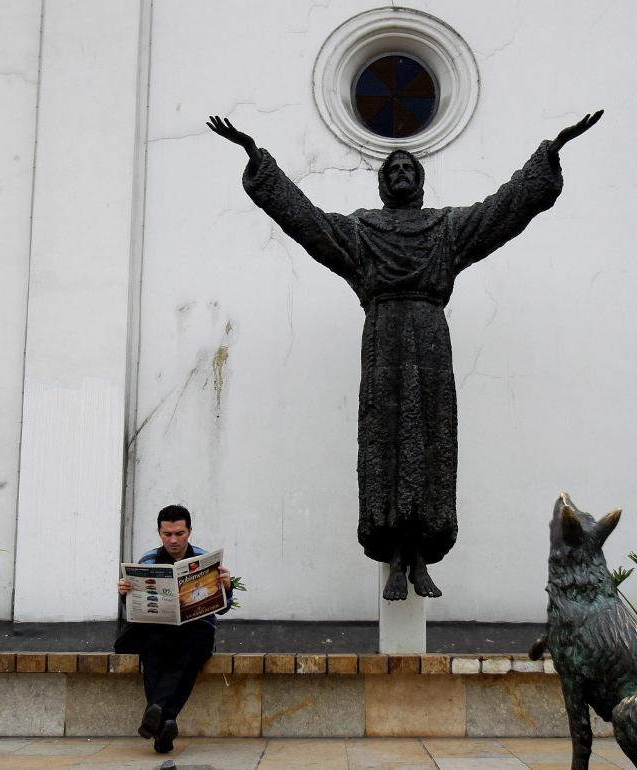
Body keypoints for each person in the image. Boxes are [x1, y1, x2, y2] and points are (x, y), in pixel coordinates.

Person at [207, 110, 603, 601]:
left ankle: (422, 556)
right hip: (383, 343)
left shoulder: (447, 230)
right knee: (384, 443)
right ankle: (394, 556)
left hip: (430, 340)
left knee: (432, 443)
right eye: (391, 170)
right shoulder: (360, 233)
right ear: (380, 185)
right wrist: (257, 160)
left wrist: (549, 154)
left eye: (407, 170)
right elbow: (305, 219)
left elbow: (504, 209)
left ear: (420, 182)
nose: (399, 175)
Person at [115, 504, 232, 754]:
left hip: (196, 629)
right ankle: (165, 725)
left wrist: (226, 587)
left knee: (194, 647)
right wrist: (125, 594)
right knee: (153, 648)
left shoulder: (204, 559)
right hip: (160, 628)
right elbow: (135, 610)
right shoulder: (148, 560)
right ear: (159, 533)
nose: (174, 540)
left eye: (179, 533)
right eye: (167, 534)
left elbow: (222, 610)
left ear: (189, 531)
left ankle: (156, 712)